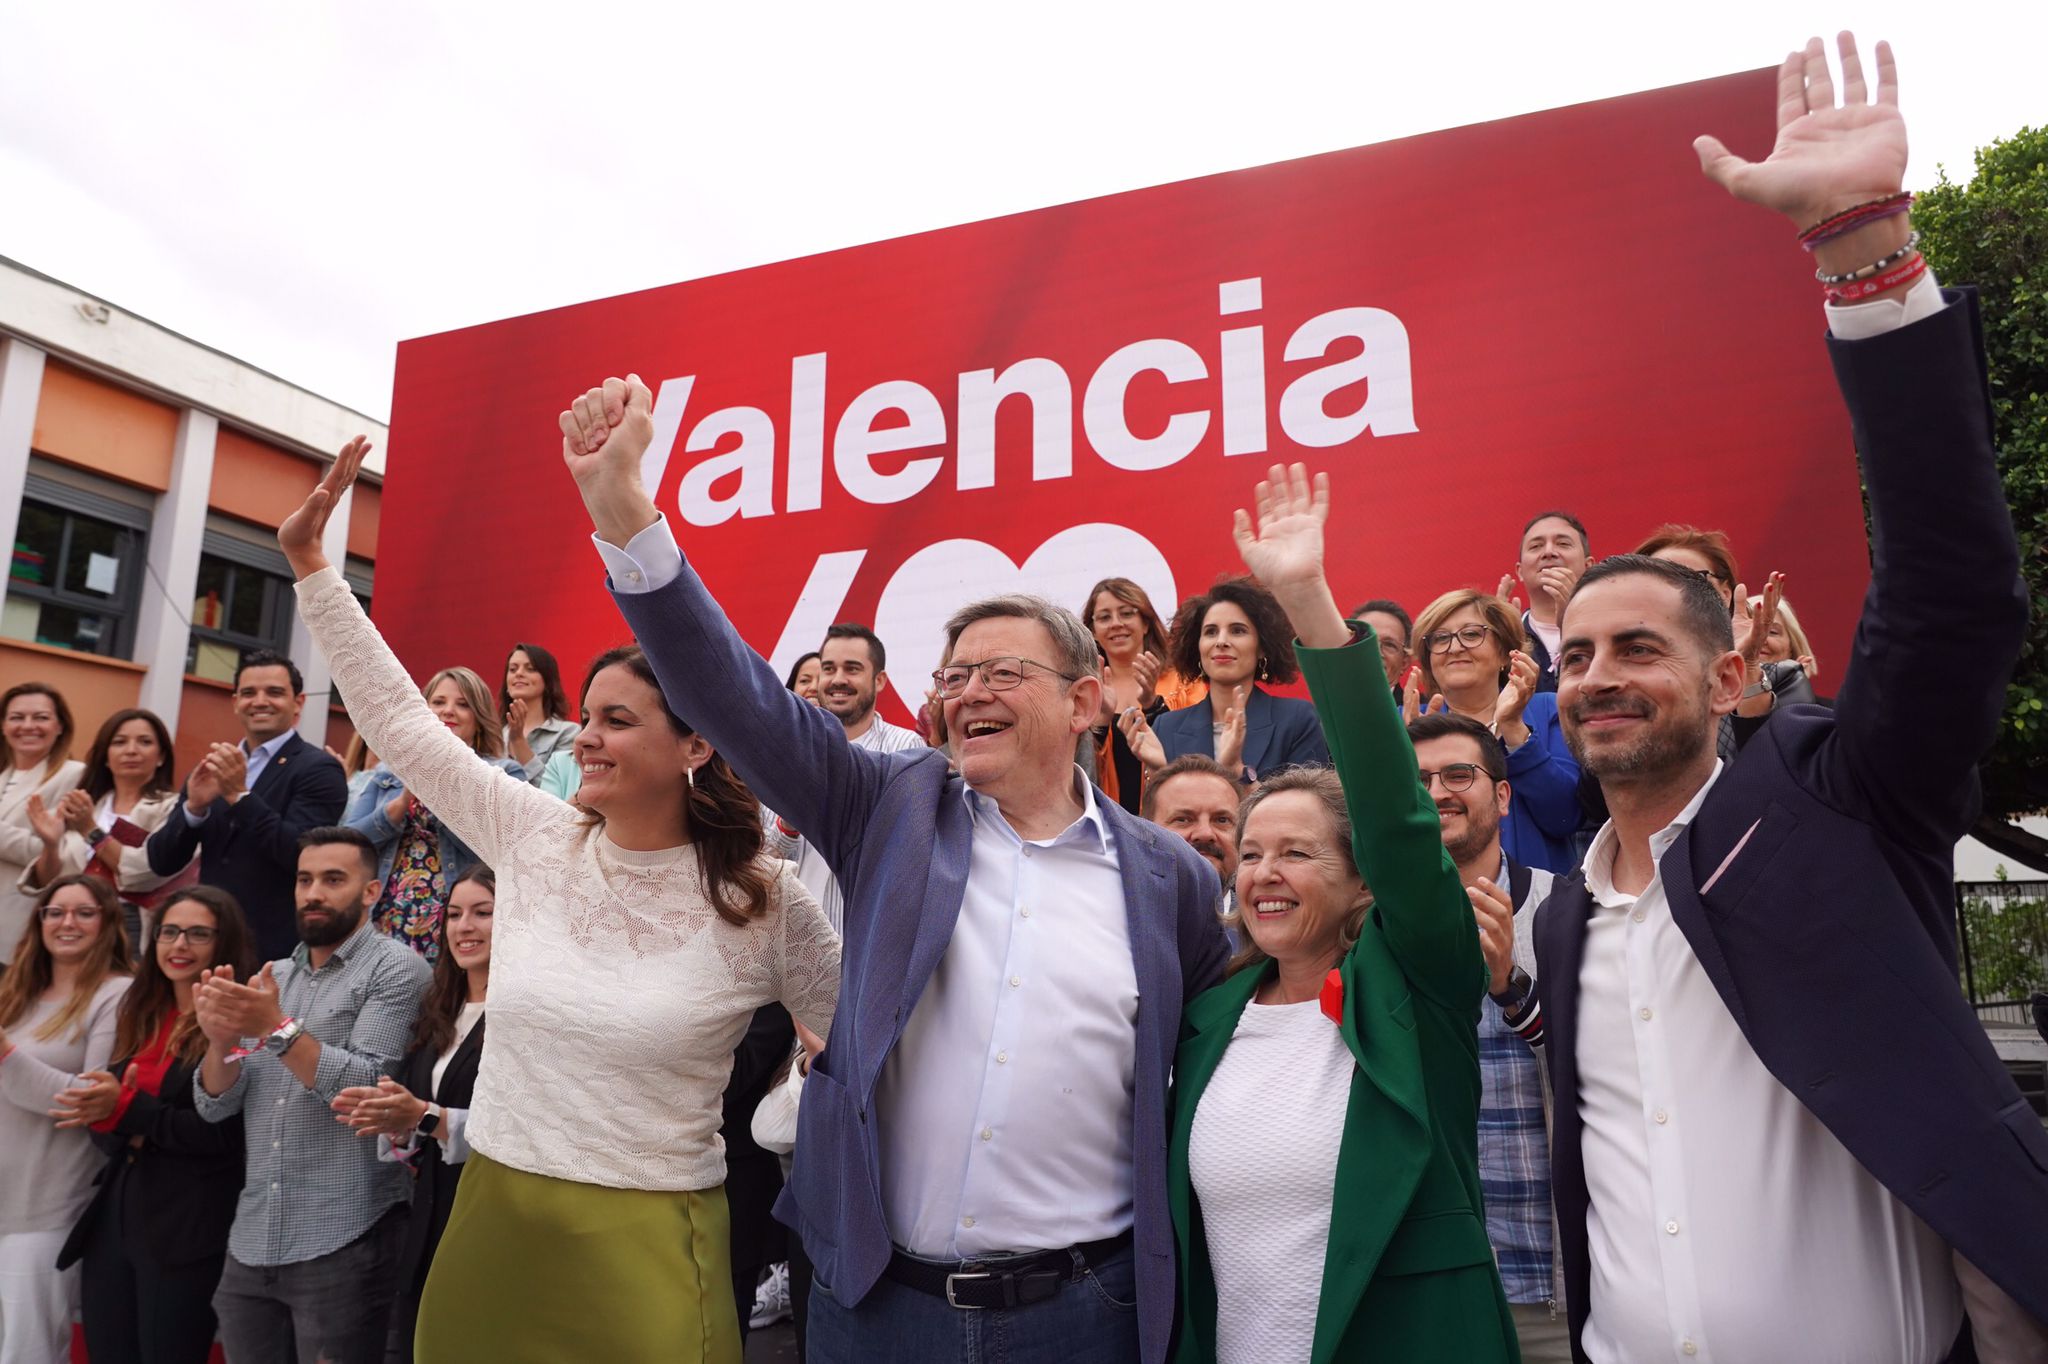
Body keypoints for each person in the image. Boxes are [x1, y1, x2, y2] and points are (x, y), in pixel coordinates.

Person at [1532, 35, 2048, 1361]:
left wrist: (1864, 259)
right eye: (1576, 656)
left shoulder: (1839, 802)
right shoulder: (1567, 922)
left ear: (1724, 675)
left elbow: (1949, 596)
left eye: (1637, 648)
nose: (1598, 679)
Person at [557, 373, 1229, 1364]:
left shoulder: (1170, 877)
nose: (967, 693)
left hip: (1086, 1312)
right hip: (875, 1306)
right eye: (952, 676)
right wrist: (623, 508)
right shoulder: (889, 807)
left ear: (1085, 702)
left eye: (1002, 671)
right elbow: (736, 696)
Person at [279, 439, 841, 1364]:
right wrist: (311, 564)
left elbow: (862, 1048)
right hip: (493, 1221)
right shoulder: (534, 837)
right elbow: (403, 725)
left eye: (616, 720)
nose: (586, 738)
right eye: (585, 715)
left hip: (655, 1250)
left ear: (697, 746)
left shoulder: (765, 902)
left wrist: (814, 1091)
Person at [1168, 464, 1515, 1363]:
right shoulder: (1204, 1020)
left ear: (1364, 885)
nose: (1263, 874)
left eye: (1296, 852)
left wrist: (1306, 600)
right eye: (1249, 855)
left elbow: (1401, 824)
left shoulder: (1415, 987)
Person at [191, 827, 431, 1364]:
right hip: (253, 1236)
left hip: (347, 1231)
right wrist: (220, 1043)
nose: (313, 893)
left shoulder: (398, 969)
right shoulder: (273, 975)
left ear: (371, 892)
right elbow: (217, 1104)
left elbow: (368, 1088)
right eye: (304, 880)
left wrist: (275, 1027)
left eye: (333, 879)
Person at [1409, 711, 1564, 1361]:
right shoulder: (1368, 929)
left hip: (1555, 1289)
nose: (1438, 791)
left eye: (1458, 774)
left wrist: (1511, 991)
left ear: (1502, 796)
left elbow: (1611, 1068)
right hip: (1432, 1290)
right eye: (1417, 781)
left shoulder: (1567, 910)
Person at [58, 885, 257, 1364]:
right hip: (116, 1214)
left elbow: (220, 1133)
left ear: (223, 943)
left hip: (187, 1225)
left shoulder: (241, 1021)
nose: (179, 945)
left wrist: (129, 1111)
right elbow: (103, 1118)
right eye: (169, 931)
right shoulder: (140, 1012)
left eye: (197, 934)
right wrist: (116, 1115)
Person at [331, 867, 495, 1364]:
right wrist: (393, 1117)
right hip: (428, 1221)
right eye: (454, 914)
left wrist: (424, 1116)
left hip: (491, 1225)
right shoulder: (439, 1009)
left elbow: (521, 1125)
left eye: (483, 913)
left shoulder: (531, 1013)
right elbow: (421, 1115)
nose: (464, 926)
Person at [0, 874, 133, 1364]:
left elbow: (89, 1100)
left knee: (28, 1353)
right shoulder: (16, 993)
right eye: (55, 912)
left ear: (108, 922)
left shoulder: (117, 994)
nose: (66, 922)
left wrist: (6, 1055)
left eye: (83, 912)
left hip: (45, 1209)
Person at [147, 650, 349, 961]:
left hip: (274, 946)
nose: (260, 701)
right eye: (249, 693)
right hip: (208, 941)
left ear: (299, 703)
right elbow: (161, 861)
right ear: (235, 702)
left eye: (275, 692)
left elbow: (301, 853)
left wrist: (240, 797)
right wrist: (194, 810)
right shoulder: (215, 767)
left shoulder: (318, 769)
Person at [344, 667, 525, 959]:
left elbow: (506, 850)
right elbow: (346, 847)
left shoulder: (502, 774)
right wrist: (397, 808)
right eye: (439, 702)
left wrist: (441, 794)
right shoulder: (387, 775)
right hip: (384, 921)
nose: (449, 711)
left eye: (463, 704)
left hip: (460, 926)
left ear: (478, 718)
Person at [765, 624, 928, 935]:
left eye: (852, 669)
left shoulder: (907, 750)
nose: (838, 679)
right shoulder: (784, 753)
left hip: (864, 946)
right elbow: (760, 863)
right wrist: (789, 823)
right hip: (790, 951)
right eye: (829, 669)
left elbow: (912, 859)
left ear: (879, 680)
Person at [1407, 588, 1581, 873]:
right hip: (1438, 896)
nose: (1454, 647)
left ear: (1504, 651)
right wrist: (1406, 756)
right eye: (1440, 639)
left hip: (1541, 905)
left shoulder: (1547, 710)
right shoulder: (1404, 722)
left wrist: (1515, 731)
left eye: (1472, 634)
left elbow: (1565, 816)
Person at [20, 708, 192, 949]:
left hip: (132, 925)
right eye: (119, 742)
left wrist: (91, 830)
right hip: (71, 923)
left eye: (144, 742)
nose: (131, 750)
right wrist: (50, 844)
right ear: (105, 756)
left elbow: (145, 874)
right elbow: (49, 881)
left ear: (161, 756)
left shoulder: (173, 809)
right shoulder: (82, 805)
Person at [1148, 577, 1331, 782]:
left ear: (1262, 647)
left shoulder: (1297, 720)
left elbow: (1307, 807)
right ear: (1197, 647)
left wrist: (1238, 773)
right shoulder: (1166, 726)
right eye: (1211, 632)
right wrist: (1159, 771)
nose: (1222, 641)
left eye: (1237, 631)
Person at [1084, 578, 1205, 813]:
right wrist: (1098, 723)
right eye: (1104, 617)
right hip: (1110, 825)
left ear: (1146, 624)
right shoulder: (1085, 689)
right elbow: (1075, 772)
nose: (1116, 624)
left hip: (1176, 817)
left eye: (1127, 613)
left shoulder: (1185, 682)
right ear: (1093, 631)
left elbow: (1199, 752)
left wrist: (1152, 705)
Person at [0, 682, 85, 967]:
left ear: (60, 726)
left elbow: (63, 855)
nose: (28, 726)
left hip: (15, 933)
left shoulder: (75, 776)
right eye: (16, 717)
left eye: (41, 717)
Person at [1505, 512, 1591, 691]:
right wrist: (1496, 635)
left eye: (1563, 544)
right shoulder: (1507, 638)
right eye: (1536, 546)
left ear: (1588, 567)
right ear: (1519, 571)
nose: (1549, 552)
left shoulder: (1610, 630)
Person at [1138, 754, 1242, 901]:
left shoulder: (1265, 921)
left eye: (1222, 820)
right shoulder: (1115, 918)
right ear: (1144, 832)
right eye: (1183, 819)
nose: (1205, 833)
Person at [500, 643, 580, 787]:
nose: (519, 673)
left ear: (547, 680)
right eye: (512, 669)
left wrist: (518, 742)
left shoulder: (569, 733)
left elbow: (557, 791)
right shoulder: (495, 736)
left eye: (530, 669)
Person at [1350, 599, 1414, 692]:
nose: (1376, 653)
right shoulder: (1323, 705)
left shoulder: (1424, 706)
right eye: (1364, 640)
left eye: (1389, 644)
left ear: (1404, 662)